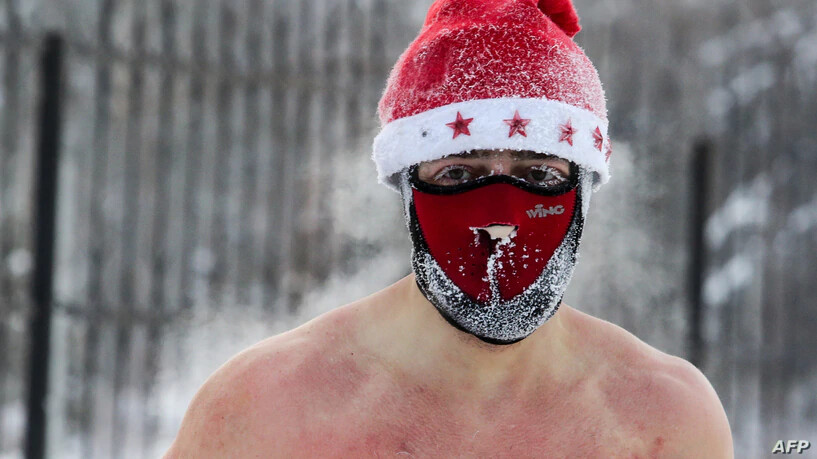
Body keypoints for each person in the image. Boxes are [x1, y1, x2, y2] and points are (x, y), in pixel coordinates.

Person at [165, 0, 734, 456]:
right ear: (406, 191)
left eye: (539, 174)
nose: (501, 219)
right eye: (458, 173)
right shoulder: (267, 408)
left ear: (584, 192)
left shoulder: (665, 420)